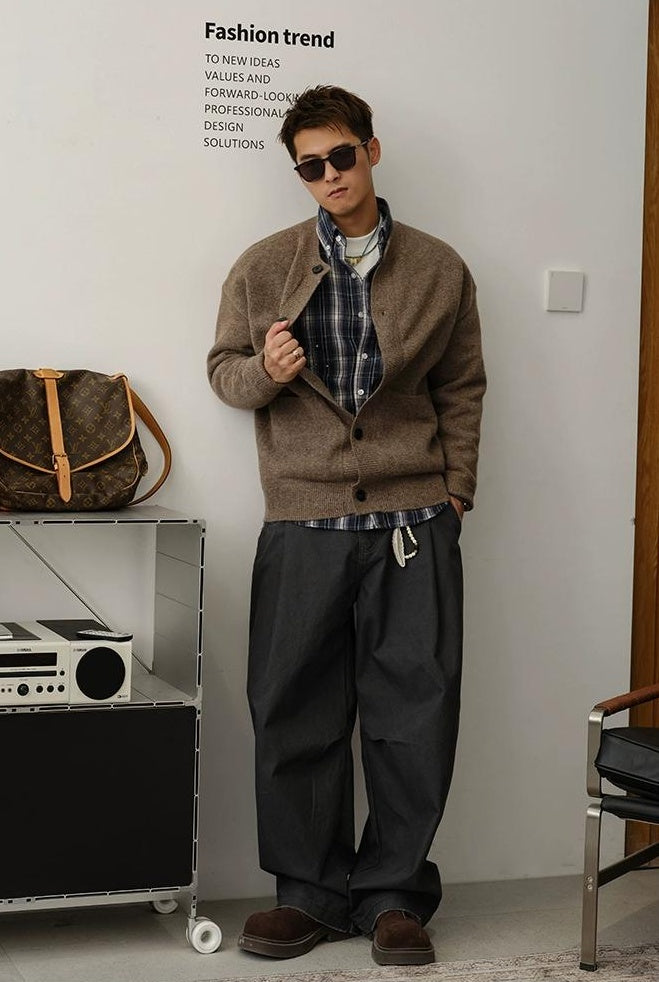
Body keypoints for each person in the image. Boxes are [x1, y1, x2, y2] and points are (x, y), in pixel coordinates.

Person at [207, 84, 485, 967]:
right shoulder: (264, 266)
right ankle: (310, 894)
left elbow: (461, 386)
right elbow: (223, 372)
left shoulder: (439, 268)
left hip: (413, 523)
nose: (328, 175)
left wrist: (456, 490)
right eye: (309, 166)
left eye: (339, 156)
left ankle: (393, 895)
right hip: (302, 520)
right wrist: (266, 369)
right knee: (293, 711)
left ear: (371, 149)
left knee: (415, 713)